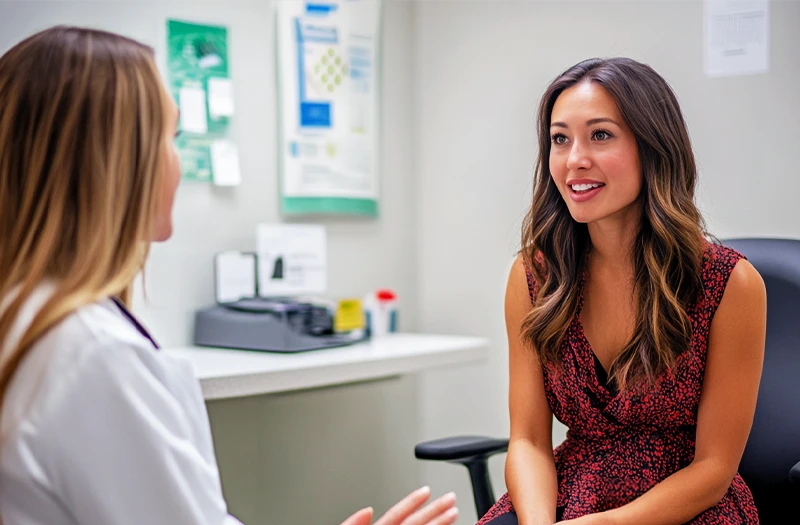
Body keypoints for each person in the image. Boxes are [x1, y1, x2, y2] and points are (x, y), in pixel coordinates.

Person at [0, 26, 458, 525]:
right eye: (169, 137)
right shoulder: (94, 357)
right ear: (112, 162)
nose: (177, 162)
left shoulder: (27, 319)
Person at [477, 58, 766, 525]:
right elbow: (528, 440)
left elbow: (714, 468)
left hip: (682, 507)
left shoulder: (729, 282)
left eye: (601, 135)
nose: (574, 160)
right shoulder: (534, 275)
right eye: (560, 138)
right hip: (563, 498)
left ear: (653, 147)